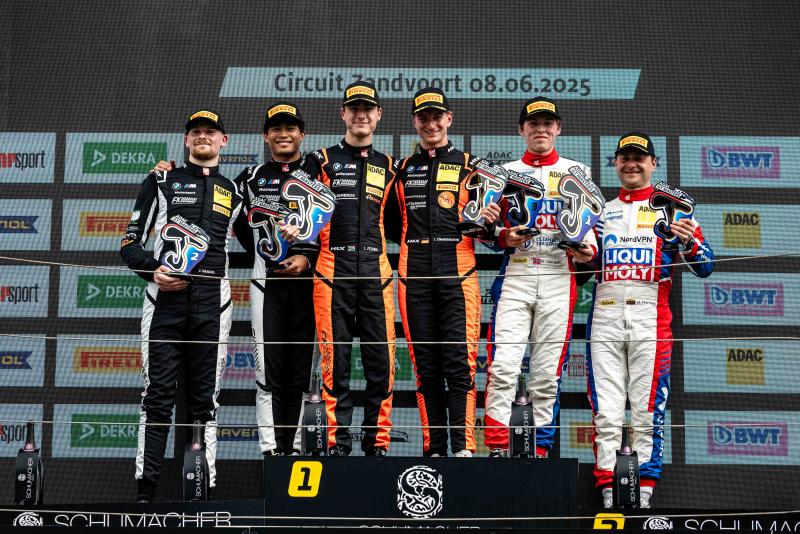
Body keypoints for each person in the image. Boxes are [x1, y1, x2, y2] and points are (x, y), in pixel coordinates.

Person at [120, 110, 242, 503]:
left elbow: (262, 238)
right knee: (157, 397)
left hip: (214, 304)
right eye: (196, 132)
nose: (204, 136)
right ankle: (145, 495)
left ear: (223, 140)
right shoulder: (161, 180)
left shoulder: (234, 191)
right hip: (165, 303)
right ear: (187, 140)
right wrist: (152, 271)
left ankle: (203, 492)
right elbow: (130, 243)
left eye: (211, 132)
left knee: (205, 401)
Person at [588, 133, 714, 508]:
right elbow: (584, 266)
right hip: (605, 313)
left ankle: (643, 490)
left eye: (639, 157)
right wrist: (581, 253)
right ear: (615, 163)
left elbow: (706, 265)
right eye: (625, 157)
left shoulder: (675, 211)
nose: (632, 163)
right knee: (606, 409)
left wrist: (688, 242)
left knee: (647, 409)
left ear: (653, 164)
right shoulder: (601, 211)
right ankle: (608, 488)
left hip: (650, 315)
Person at [481, 97, 596, 458]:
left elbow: (590, 226)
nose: (541, 129)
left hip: (558, 275)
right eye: (534, 123)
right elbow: (485, 229)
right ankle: (498, 446)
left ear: (558, 128)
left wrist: (588, 250)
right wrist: (503, 236)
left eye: (548, 123)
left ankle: (541, 450)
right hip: (517, 273)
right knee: (503, 367)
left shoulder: (577, 170)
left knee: (547, 373)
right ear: (522, 130)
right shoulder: (506, 172)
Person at [303, 82, 398, 456]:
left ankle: (378, 446)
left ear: (378, 115)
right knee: (334, 364)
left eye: (367, 109)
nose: (361, 115)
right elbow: (293, 205)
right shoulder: (320, 161)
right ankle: (336, 446)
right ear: (343, 113)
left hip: (377, 273)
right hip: (332, 270)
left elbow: (408, 220)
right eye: (354, 108)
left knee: (381, 366)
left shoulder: (390, 166)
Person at [390, 88, 481, 457]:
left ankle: (463, 449)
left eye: (437, 117)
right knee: (425, 368)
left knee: (459, 365)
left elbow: (487, 225)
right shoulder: (401, 170)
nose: (431, 124)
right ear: (415, 122)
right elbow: (390, 225)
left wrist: (490, 222)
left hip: (459, 276)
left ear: (449, 119)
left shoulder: (472, 167)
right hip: (413, 277)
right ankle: (435, 450)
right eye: (423, 118)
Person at [233, 102, 318, 456]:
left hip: (309, 286)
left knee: (301, 372)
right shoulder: (250, 177)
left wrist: (307, 258)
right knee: (267, 373)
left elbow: (334, 222)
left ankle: (294, 449)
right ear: (265, 136)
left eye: (290, 128)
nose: (284, 135)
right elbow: (223, 212)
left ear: (302, 134)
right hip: (265, 285)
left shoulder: (317, 172)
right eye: (276, 129)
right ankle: (271, 451)